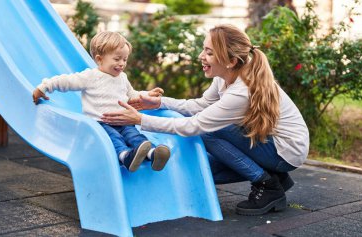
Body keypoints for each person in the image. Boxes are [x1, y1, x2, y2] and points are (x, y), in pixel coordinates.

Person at [100, 24, 309, 215]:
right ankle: (276, 177)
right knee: (205, 171)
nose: (201, 56)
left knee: (207, 131)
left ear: (231, 61)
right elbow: (198, 106)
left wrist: (139, 120)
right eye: (204, 49)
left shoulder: (241, 91)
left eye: (209, 52)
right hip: (269, 144)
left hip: (285, 152)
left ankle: (268, 185)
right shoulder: (225, 77)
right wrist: (159, 103)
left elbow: (194, 125)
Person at [32, 31, 171, 172]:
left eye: (125, 59)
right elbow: (65, 81)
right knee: (115, 139)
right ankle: (125, 157)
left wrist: (147, 95)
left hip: (123, 120)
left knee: (134, 135)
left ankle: (152, 154)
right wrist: (44, 87)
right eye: (117, 59)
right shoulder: (90, 76)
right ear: (99, 59)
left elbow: (131, 94)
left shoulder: (122, 77)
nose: (122, 64)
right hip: (100, 122)